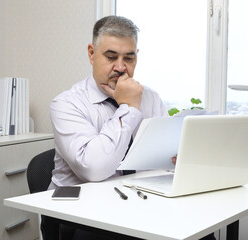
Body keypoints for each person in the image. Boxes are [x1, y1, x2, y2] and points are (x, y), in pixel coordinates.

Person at [47, 15, 215, 240]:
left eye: (129, 58)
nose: (121, 67)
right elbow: (94, 169)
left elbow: (163, 160)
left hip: (137, 204)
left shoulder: (151, 99)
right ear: (91, 53)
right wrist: (129, 107)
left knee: (199, 231)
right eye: (111, 57)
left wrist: (177, 157)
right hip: (82, 215)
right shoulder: (66, 104)